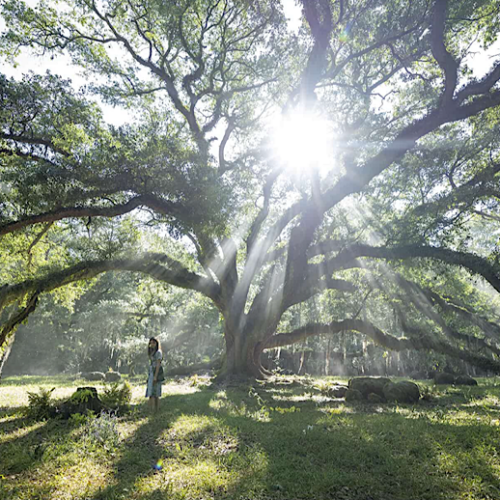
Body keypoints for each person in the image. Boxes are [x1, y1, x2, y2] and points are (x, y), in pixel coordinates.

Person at [146, 337, 163, 413]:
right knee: (151, 392)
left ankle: (156, 410)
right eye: (151, 343)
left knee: (156, 393)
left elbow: (158, 365)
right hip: (151, 373)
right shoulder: (152, 352)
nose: (152, 344)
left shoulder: (158, 352)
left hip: (156, 373)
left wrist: (155, 376)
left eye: (153, 343)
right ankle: (151, 410)